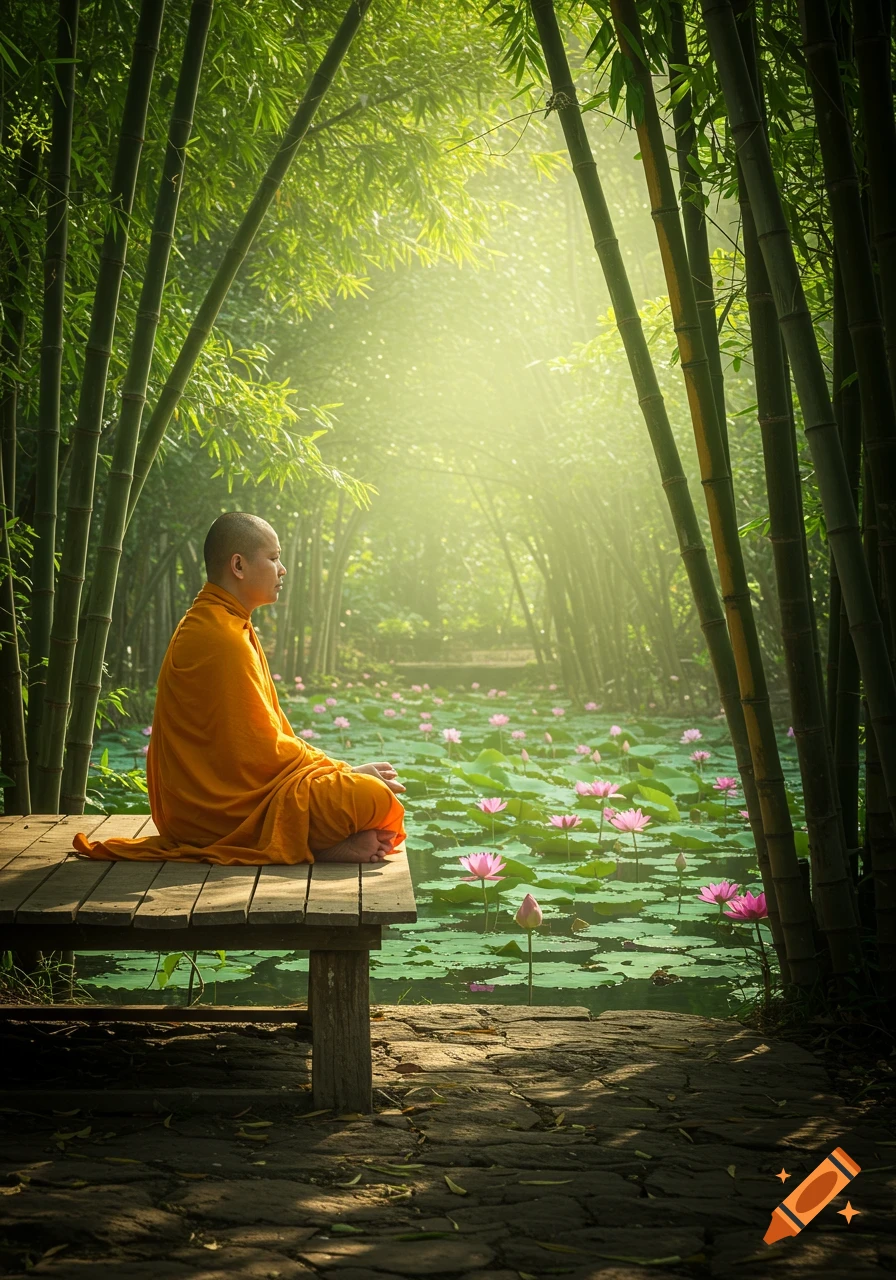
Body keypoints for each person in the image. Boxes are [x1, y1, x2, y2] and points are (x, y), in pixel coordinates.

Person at [73, 512, 405, 865]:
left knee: (370, 795)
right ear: (238, 565)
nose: (283, 569)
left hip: (209, 812)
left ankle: (320, 841)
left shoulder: (222, 623)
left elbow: (259, 746)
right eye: (274, 558)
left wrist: (336, 773)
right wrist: (344, 772)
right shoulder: (221, 637)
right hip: (217, 818)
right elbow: (262, 752)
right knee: (373, 797)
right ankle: (315, 841)